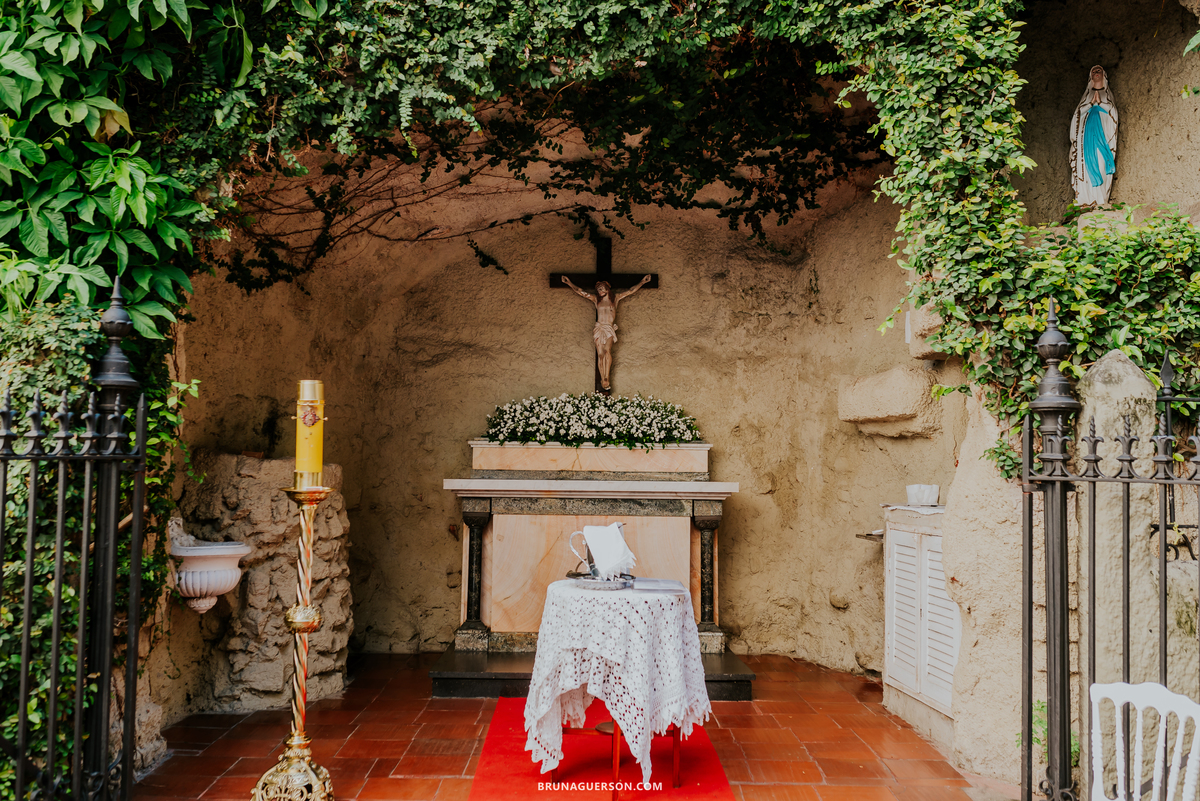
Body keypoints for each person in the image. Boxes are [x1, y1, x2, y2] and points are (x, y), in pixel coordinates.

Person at [561, 274, 652, 391]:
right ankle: (602, 377)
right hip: (599, 328)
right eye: (598, 289)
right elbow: (581, 292)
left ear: (607, 288)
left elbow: (630, 290)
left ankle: (606, 377)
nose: (599, 290)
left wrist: (642, 282)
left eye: (601, 287)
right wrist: (569, 283)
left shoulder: (615, 298)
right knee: (600, 354)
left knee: (607, 351)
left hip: (608, 328)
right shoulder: (595, 300)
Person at [1070, 65, 1119, 207]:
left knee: (1101, 164)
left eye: (1099, 71)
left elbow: (1113, 115)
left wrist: (1101, 104)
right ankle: (1086, 199)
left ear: (1104, 76)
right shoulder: (1086, 97)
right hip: (1086, 142)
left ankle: (1100, 199)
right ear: (1090, 77)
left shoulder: (1108, 96)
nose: (1096, 73)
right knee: (1085, 166)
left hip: (1102, 140)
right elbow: (1076, 118)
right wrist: (1091, 103)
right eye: (1094, 71)